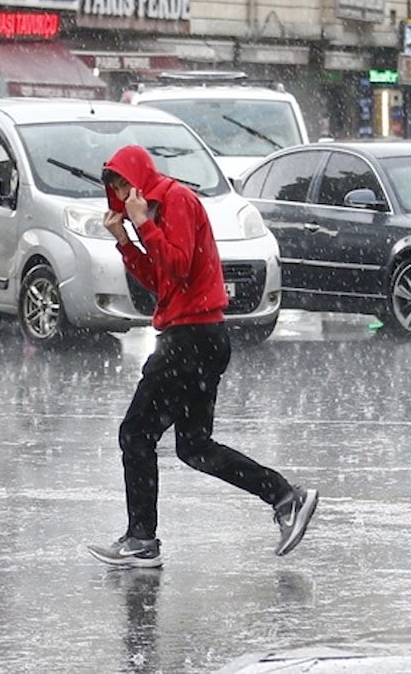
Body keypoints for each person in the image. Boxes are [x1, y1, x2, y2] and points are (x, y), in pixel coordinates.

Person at [86, 144, 319, 569]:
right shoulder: (154, 210)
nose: (120, 192)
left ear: (140, 176)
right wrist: (125, 241)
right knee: (194, 447)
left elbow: (176, 266)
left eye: (124, 181)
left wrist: (142, 225)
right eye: (115, 186)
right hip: (197, 337)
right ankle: (286, 497)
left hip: (191, 339)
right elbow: (159, 280)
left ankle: (142, 540)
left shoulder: (175, 200)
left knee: (136, 433)